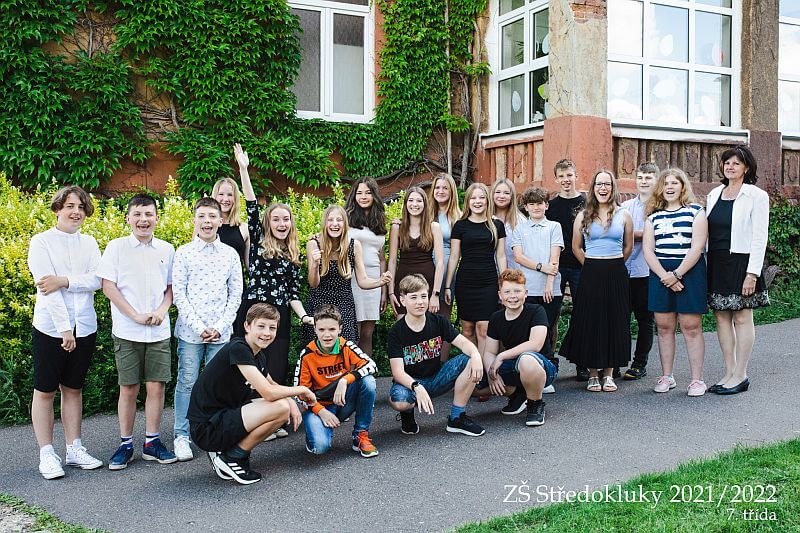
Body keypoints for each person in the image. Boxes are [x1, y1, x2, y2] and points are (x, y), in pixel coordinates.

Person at [188, 303, 316, 485]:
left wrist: (290, 401)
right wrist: (302, 390)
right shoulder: (238, 348)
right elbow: (269, 393)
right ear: (247, 326)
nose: (267, 333)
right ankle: (233, 457)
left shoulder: (257, 354)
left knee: (283, 407)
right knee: (280, 408)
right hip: (206, 428)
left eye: (272, 328)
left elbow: (271, 384)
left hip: (221, 417)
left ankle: (227, 451)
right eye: (261, 326)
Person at [27, 186, 104, 479]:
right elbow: (47, 288)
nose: (76, 212)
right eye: (70, 206)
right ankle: (47, 454)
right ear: (58, 208)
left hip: (84, 326)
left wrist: (65, 280)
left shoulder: (90, 243)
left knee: (73, 389)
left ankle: (74, 449)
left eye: (81, 207)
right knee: (45, 390)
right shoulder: (42, 242)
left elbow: (97, 280)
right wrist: (63, 329)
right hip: (51, 327)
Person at [97, 194, 177, 469]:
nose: (144, 220)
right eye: (138, 214)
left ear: (157, 218)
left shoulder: (166, 249)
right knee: (129, 387)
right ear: (128, 218)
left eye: (149, 214)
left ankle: (152, 443)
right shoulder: (116, 247)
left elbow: (171, 288)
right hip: (127, 330)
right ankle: (126, 444)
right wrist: (134, 315)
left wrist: (162, 311)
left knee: (156, 386)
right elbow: (108, 286)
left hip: (158, 331)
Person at [233, 143, 313, 389]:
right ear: (268, 223)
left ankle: (274, 410)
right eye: (276, 219)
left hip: (280, 315)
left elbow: (292, 293)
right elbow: (251, 205)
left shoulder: (294, 253)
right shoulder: (258, 240)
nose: (281, 223)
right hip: (253, 310)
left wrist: (304, 316)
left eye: (285, 219)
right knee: (247, 372)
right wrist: (244, 170)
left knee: (276, 369)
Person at [171, 197, 243, 461]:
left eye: (212, 216)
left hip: (221, 334)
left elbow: (235, 293)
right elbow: (179, 294)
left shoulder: (230, 254)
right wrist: (199, 327)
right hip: (191, 333)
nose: (207, 221)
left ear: (220, 221)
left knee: (216, 385)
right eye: (201, 216)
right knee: (187, 382)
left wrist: (221, 326)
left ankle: (215, 434)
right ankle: (182, 435)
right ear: (194, 220)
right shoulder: (184, 253)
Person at [560, 171, 633, 393]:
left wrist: (614, 264)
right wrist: (592, 265)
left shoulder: (624, 214)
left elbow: (628, 247)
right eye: (599, 184)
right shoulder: (583, 215)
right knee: (591, 321)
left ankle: (608, 374)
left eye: (607, 184)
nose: (603, 188)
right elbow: (576, 247)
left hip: (616, 272)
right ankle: (593, 373)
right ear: (593, 187)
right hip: (590, 271)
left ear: (613, 187)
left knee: (614, 320)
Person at [706, 145, 770, 395]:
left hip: (742, 262)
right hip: (717, 262)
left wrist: (752, 273)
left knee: (742, 317)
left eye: (736, 163)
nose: (730, 167)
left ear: (746, 167)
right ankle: (730, 372)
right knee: (721, 317)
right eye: (727, 163)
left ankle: (741, 374)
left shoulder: (756, 195)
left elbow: (760, 237)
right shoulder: (714, 194)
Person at [388, 274, 486, 437]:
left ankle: (457, 418)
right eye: (413, 297)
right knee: (400, 401)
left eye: (423, 296)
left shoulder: (439, 321)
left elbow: (464, 344)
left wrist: (476, 355)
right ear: (403, 300)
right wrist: (416, 387)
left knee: (469, 359)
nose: (420, 302)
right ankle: (407, 414)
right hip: (410, 383)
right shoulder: (396, 332)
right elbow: (397, 372)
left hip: (437, 378)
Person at [643, 169, 708, 397]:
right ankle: (667, 376)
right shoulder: (653, 217)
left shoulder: (696, 212)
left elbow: (697, 247)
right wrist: (666, 276)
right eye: (665, 183)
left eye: (674, 183)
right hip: (661, 274)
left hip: (689, 272)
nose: (669, 187)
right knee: (664, 328)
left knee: (691, 327)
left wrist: (677, 275)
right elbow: (648, 250)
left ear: (683, 187)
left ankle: (697, 380)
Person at [473, 269, 557, 426]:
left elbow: (535, 344)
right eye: (507, 292)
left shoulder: (537, 311)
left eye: (517, 291)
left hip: (543, 367)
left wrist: (502, 356)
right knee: (473, 383)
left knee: (526, 359)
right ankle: (518, 394)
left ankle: (535, 404)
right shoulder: (496, 318)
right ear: (500, 295)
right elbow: (489, 351)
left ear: (526, 293)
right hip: (514, 366)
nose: (512, 296)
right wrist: (492, 374)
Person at [294, 304, 379, 457]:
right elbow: (299, 394)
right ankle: (315, 433)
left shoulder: (346, 346)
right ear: (315, 330)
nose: (327, 335)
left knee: (368, 381)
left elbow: (371, 365)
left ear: (339, 329)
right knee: (320, 447)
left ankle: (360, 435)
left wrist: (345, 380)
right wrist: (321, 411)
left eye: (332, 329)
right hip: (318, 406)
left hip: (341, 402)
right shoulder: (306, 354)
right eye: (321, 330)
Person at [304, 204, 392, 342]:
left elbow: (362, 280)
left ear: (345, 224)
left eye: (339, 220)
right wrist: (315, 265)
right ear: (325, 223)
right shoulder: (314, 245)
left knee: (346, 348)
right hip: (318, 304)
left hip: (344, 304)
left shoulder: (353, 245)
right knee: (320, 349)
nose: (335, 224)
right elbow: (313, 283)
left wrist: (379, 282)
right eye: (330, 220)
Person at [510, 186, 563, 392]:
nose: (536, 207)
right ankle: (529, 373)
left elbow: (554, 257)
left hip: (550, 288)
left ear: (546, 205)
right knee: (529, 332)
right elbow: (519, 257)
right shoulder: (520, 229)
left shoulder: (554, 227)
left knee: (546, 330)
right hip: (528, 288)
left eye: (540, 203)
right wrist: (541, 267)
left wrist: (549, 283)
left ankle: (547, 375)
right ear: (526, 207)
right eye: (532, 204)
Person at [445, 183, 507, 355]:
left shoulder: (496, 225)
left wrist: (504, 285)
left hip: (488, 283)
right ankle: (473, 366)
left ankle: (485, 368)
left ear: (487, 200)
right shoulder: (460, 226)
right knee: (467, 330)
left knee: (484, 329)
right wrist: (448, 286)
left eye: (481, 197)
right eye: (473, 198)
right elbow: (454, 257)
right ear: (468, 201)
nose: (477, 201)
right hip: (465, 283)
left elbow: (501, 256)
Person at [545, 159, 588, 381]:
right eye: (561, 176)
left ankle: (583, 363)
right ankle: (549, 362)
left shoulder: (586, 203)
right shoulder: (551, 206)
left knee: (583, 314)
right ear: (556, 179)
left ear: (576, 176)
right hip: (557, 267)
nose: (566, 180)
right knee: (551, 315)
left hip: (581, 265)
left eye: (569, 175)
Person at [621, 162, 658, 381]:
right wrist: (641, 234)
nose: (644, 181)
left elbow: (657, 236)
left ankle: (639, 363)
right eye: (641, 177)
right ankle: (618, 360)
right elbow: (617, 233)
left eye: (648, 178)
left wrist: (632, 234)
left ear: (656, 181)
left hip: (646, 271)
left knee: (645, 320)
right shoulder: (625, 207)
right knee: (621, 319)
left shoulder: (660, 207)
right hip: (625, 269)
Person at [346, 177, 388, 355]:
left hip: (374, 282)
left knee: (367, 334)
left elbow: (382, 258)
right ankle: (350, 369)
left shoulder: (380, 221)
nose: (363, 196)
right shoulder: (347, 218)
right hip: (353, 280)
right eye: (359, 193)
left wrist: (383, 290)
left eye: (368, 193)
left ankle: (366, 369)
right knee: (352, 331)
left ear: (374, 195)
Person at [388, 186, 444, 316]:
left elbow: (440, 262)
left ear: (425, 204)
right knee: (403, 324)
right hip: (403, 285)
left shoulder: (434, 227)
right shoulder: (397, 228)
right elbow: (392, 261)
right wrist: (391, 292)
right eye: (411, 200)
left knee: (428, 325)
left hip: (428, 285)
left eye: (419, 201)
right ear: (405, 203)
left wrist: (435, 293)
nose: (414, 204)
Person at [428, 173, 461, 360]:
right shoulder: (427, 213)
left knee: (443, 317)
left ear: (451, 191)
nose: (440, 191)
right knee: (426, 316)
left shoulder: (456, 216)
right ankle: (426, 362)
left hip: (447, 266)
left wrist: (447, 285)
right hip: (426, 266)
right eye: (437, 187)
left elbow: (457, 252)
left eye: (445, 188)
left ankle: (442, 362)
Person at [212, 177, 250, 268]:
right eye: (221, 194)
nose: (225, 199)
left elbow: (250, 267)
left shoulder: (244, 229)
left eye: (230, 195)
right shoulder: (205, 227)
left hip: (236, 277)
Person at [491, 178, 523, 269]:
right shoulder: (485, 219)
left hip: (515, 272)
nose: (501, 196)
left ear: (512, 196)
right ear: (492, 194)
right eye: (498, 192)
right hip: (490, 272)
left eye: (506, 193)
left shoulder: (520, 221)